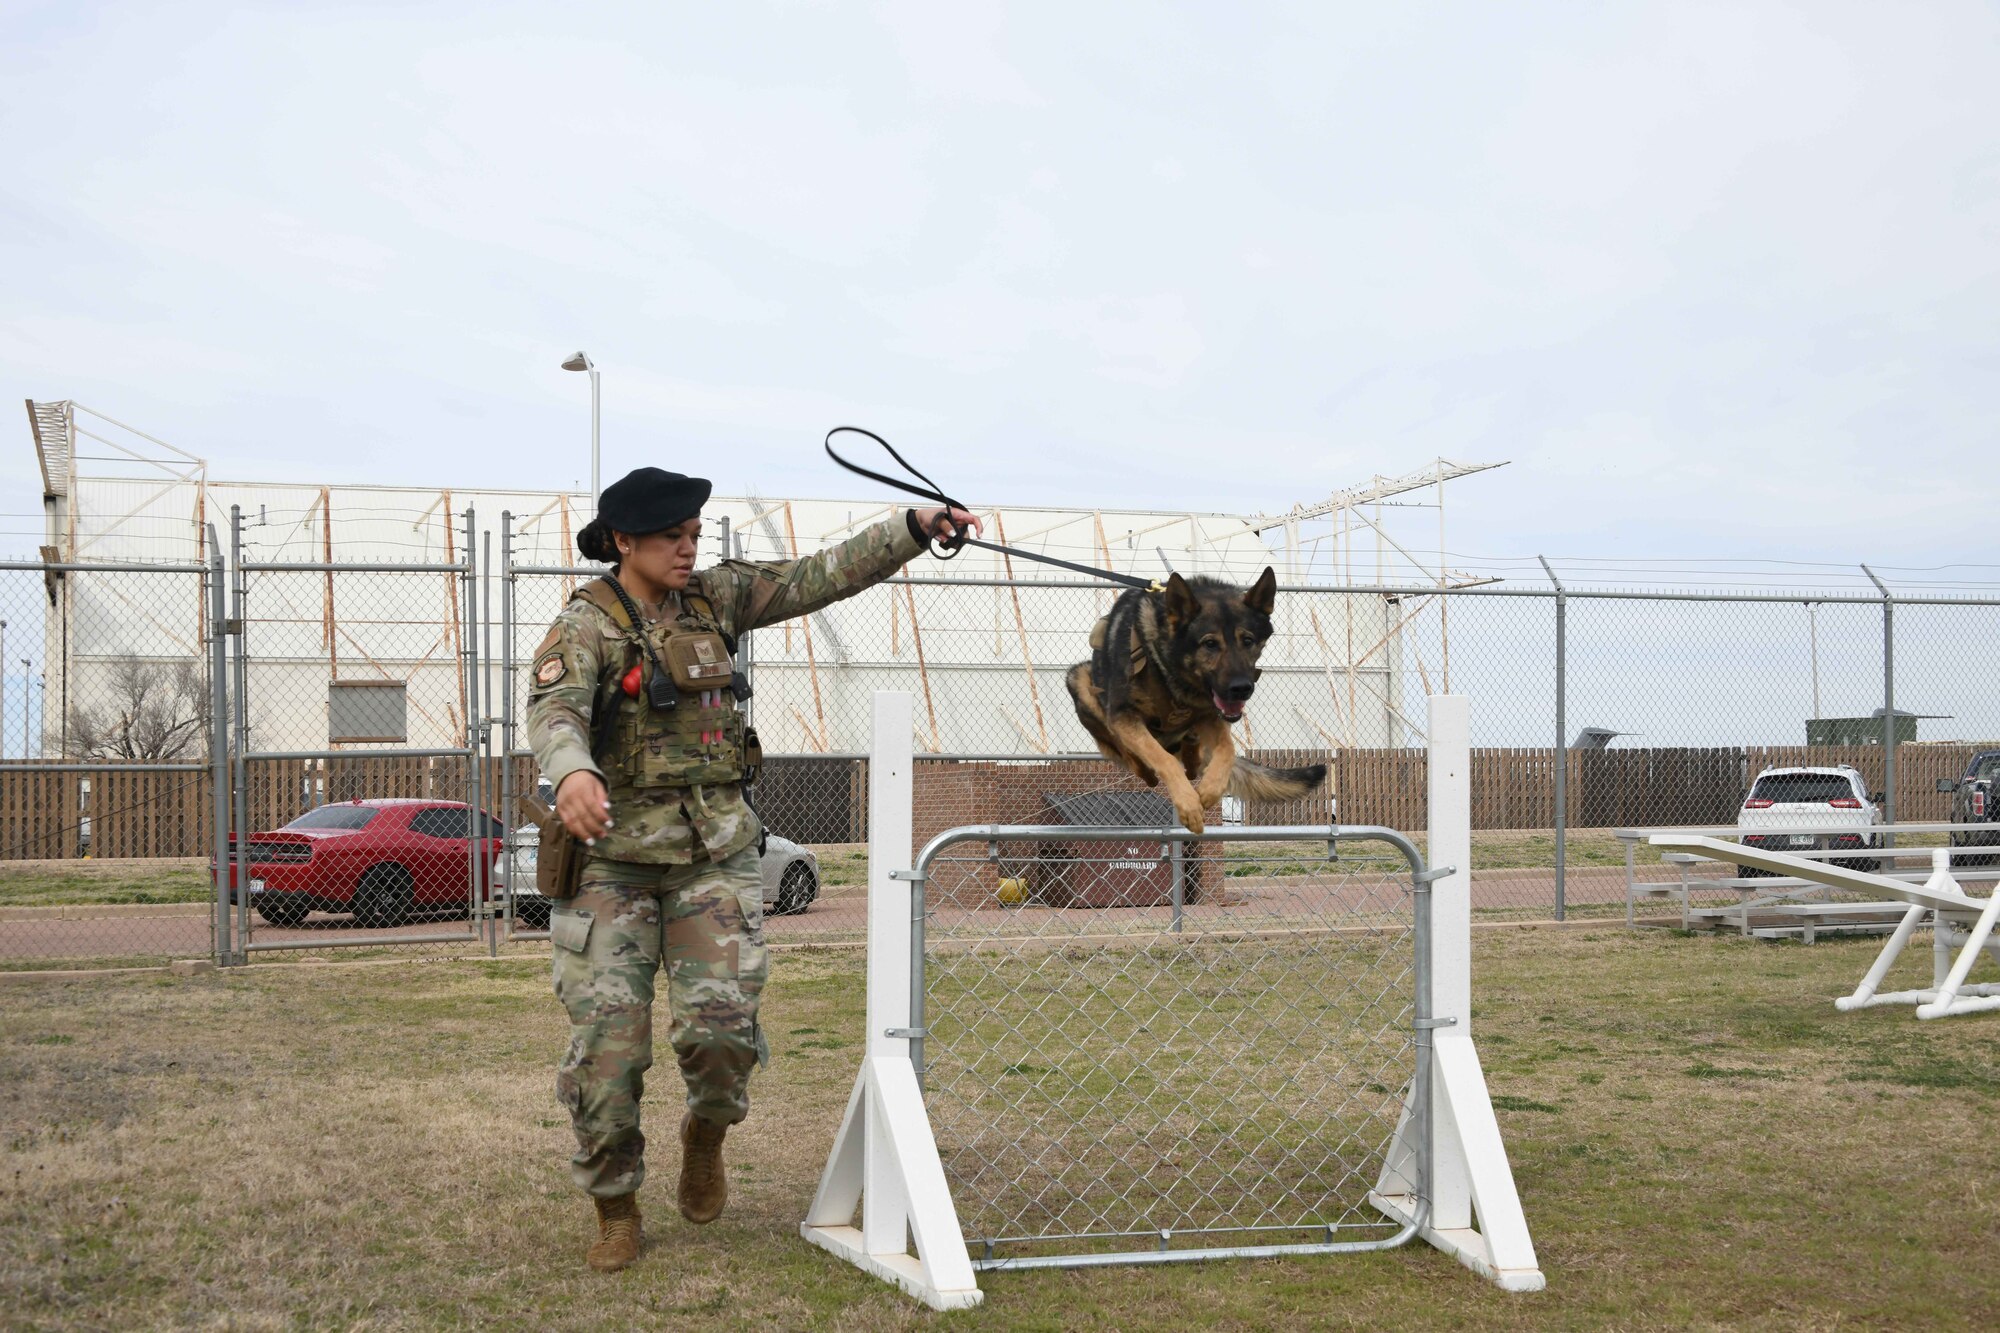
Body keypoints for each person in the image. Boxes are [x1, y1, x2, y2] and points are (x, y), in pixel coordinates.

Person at [524, 464, 977, 1273]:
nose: (689, 550)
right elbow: (555, 711)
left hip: (713, 854)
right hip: (614, 867)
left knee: (723, 1030)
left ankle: (707, 1129)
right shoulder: (582, 626)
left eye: (696, 535)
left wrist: (912, 527)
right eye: (673, 537)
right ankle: (616, 1204)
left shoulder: (717, 600)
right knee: (607, 1053)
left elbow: (817, 576)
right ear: (624, 540)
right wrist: (574, 772)